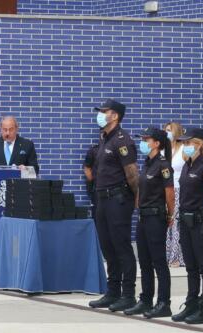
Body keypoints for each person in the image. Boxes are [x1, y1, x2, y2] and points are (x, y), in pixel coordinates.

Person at [88, 99, 139, 312]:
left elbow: (133, 175)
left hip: (118, 200)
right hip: (102, 199)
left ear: (115, 116)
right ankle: (113, 291)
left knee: (121, 247)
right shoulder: (104, 139)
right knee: (107, 247)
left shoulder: (122, 140)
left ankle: (128, 294)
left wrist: (137, 200)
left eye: (104, 111)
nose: (100, 114)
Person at [123, 127, 175, 319]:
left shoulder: (163, 165)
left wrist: (170, 215)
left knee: (158, 261)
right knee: (144, 261)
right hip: (144, 217)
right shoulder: (147, 163)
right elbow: (141, 190)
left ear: (157, 143)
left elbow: (170, 193)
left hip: (156, 217)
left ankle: (163, 302)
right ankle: (145, 299)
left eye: (147, 139)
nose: (143, 142)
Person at [171, 127, 203, 325]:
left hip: (200, 221)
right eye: (184, 143)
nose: (185, 146)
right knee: (190, 266)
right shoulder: (187, 165)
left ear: (198, 144)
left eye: (188, 143)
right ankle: (191, 303)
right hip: (186, 221)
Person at [164, 121, 185, 267]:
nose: (166, 133)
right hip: (165, 190)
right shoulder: (163, 150)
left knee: (176, 224)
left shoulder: (183, 148)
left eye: (169, 130)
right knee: (166, 224)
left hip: (179, 189)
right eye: (165, 130)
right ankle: (165, 255)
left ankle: (176, 257)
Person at [83, 142, 99, 220]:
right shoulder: (94, 150)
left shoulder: (116, 149)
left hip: (113, 193)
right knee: (96, 217)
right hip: (97, 191)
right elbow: (87, 168)